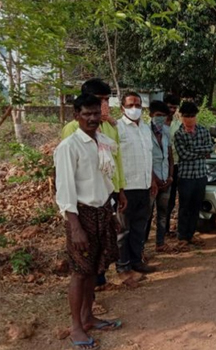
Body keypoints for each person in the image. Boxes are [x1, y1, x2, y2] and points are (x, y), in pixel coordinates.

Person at [54, 94, 122, 349]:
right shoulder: (68, 147)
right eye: (87, 114)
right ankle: (76, 327)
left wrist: (112, 212)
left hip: (102, 211)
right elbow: (65, 191)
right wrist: (75, 227)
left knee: (96, 268)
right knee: (80, 272)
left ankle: (89, 317)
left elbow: (105, 180)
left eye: (96, 113)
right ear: (76, 116)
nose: (93, 118)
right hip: (80, 215)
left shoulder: (102, 141)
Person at [61, 78, 128, 292]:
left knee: (98, 258)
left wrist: (118, 193)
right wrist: (74, 224)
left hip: (104, 201)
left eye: (104, 103)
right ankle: (81, 317)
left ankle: (91, 308)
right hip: (83, 208)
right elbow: (66, 181)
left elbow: (112, 166)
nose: (95, 115)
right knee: (82, 268)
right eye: (100, 101)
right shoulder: (71, 137)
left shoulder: (104, 132)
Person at [117, 92, 157, 274]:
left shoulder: (145, 129)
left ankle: (136, 261)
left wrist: (152, 180)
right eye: (131, 105)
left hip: (144, 186)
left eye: (138, 105)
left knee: (139, 228)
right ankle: (123, 266)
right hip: (126, 188)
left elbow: (148, 156)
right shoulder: (117, 128)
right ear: (122, 107)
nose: (135, 109)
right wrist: (119, 190)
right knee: (123, 230)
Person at [174, 101, 213, 248]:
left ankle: (190, 234)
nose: (189, 119)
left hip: (201, 175)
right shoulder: (179, 134)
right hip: (186, 177)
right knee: (184, 207)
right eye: (186, 116)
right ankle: (182, 236)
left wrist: (195, 149)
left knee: (196, 207)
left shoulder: (203, 130)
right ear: (181, 117)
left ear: (196, 116)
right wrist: (202, 152)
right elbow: (183, 155)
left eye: (191, 116)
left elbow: (211, 147)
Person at [145, 100, 177, 253]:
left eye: (163, 116)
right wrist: (155, 179)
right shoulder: (144, 132)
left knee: (163, 214)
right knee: (147, 215)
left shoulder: (166, 131)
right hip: (151, 181)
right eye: (158, 115)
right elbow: (145, 158)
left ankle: (160, 243)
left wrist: (170, 176)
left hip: (166, 180)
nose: (160, 119)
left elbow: (169, 156)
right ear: (151, 115)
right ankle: (141, 248)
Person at [164, 94, 181, 236]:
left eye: (174, 107)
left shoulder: (177, 124)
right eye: (170, 107)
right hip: (161, 167)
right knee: (163, 198)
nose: (172, 110)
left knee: (172, 199)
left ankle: (168, 228)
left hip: (176, 164)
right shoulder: (156, 122)